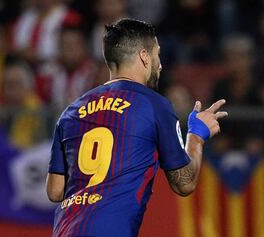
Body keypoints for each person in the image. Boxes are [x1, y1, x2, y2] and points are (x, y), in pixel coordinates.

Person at [46, 18, 227, 236]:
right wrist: (197, 135)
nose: (159, 64)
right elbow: (184, 183)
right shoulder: (153, 104)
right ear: (144, 56)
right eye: (157, 54)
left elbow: (55, 190)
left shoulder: (70, 113)